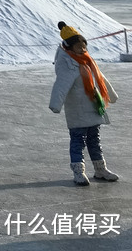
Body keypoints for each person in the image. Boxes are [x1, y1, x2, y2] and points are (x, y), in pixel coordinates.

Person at [50, 21, 120, 185]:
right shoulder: (69, 63)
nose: (82, 48)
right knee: (78, 141)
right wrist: (55, 104)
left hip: (93, 106)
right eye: (78, 45)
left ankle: (100, 170)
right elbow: (61, 84)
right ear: (68, 47)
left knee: (94, 140)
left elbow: (100, 78)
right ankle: (78, 172)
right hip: (78, 110)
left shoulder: (87, 60)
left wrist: (111, 95)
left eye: (83, 44)